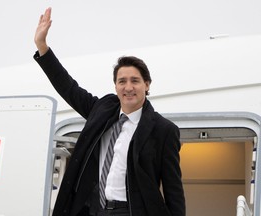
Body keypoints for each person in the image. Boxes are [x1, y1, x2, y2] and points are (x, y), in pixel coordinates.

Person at [34, 7, 185, 216]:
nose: (128, 87)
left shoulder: (164, 130)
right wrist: (42, 46)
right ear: (115, 86)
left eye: (135, 81)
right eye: (122, 81)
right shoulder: (102, 110)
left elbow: (173, 190)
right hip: (93, 210)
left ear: (147, 85)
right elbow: (69, 88)